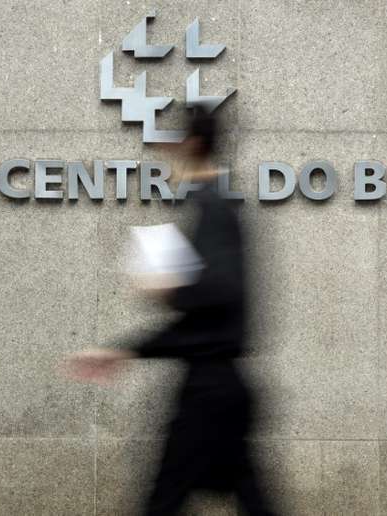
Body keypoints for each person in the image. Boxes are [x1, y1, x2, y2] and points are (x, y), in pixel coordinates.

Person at [67, 107, 276, 516]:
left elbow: (221, 292)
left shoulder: (213, 207)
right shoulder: (216, 205)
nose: (167, 153)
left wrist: (170, 289)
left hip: (209, 393)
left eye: (176, 142)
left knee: (163, 502)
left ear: (193, 145)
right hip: (221, 387)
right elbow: (212, 312)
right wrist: (125, 351)